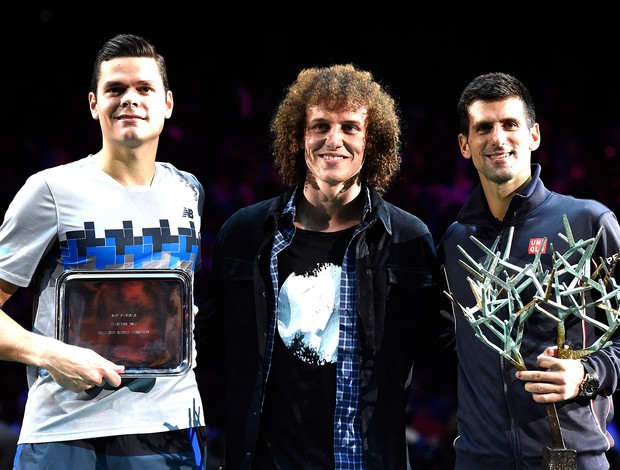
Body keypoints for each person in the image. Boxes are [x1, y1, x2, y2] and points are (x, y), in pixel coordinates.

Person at [195, 63, 445, 469]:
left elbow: (445, 355)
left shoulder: (407, 239)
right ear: (299, 136)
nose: (335, 140)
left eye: (350, 127)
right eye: (320, 126)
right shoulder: (244, 234)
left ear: (372, 140)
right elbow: (204, 349)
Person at [0, 33, 206, 469]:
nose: (130, 99)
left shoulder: (189, 190)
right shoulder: (50, 191)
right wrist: (48, 354)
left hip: (169, 424)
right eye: (115, 89)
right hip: (65, 428)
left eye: (144, 89)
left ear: (167, 103)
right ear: (94, 104)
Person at [437, 71, 620, 469]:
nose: (498, 138)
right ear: (464, 145)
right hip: (477, 460)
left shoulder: (589, 222)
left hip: (572, 459)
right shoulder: (455, 243)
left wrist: (586, 374)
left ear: (533, 135)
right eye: (483, 127)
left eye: (510, 124)